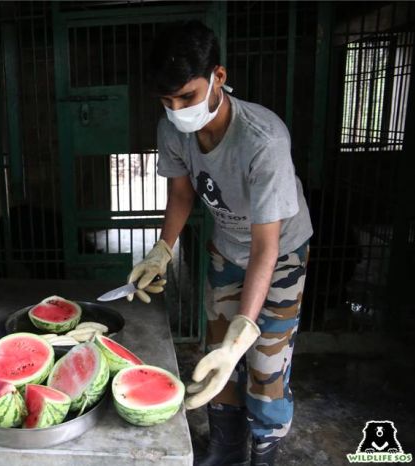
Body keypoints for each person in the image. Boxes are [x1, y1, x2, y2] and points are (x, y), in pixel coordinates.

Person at [126, 20, 313, 466]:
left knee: (264, 363)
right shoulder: (172, 129)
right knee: (217, 357)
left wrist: (243, 332)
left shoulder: (263, 140)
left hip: (280, 254)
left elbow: (265, 247)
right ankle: (226, 446)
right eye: (166, 101)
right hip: (227, 248)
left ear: (218, 78)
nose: (176, 110)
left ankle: (264, 449)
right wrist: (163, 249)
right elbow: (181, 194)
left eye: (186, 97)